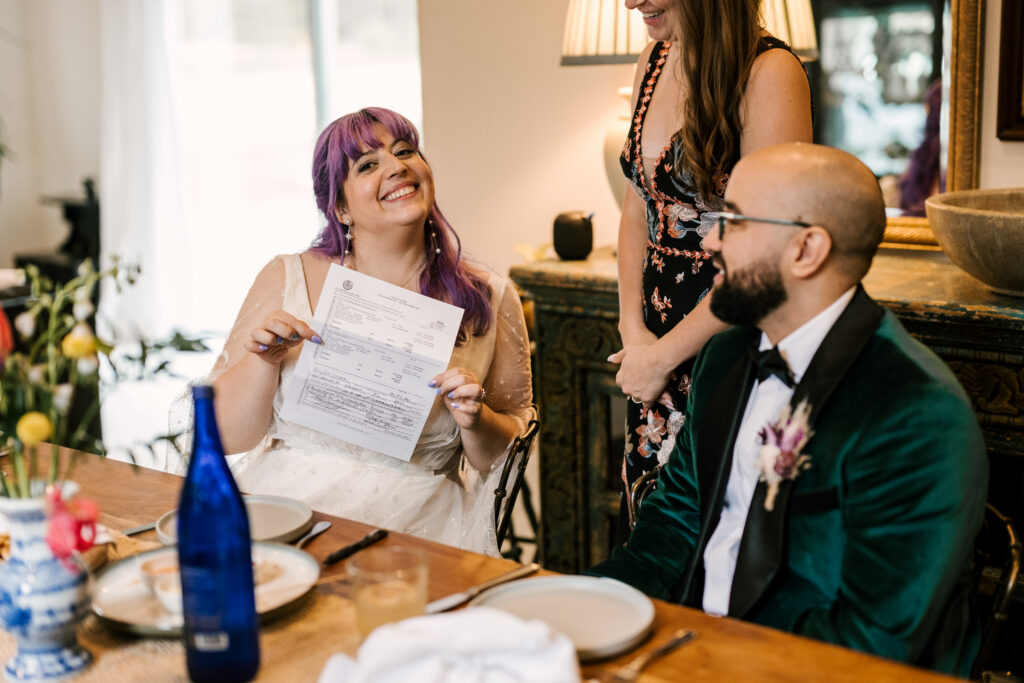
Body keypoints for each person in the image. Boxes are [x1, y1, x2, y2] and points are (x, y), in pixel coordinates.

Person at [589, 143, 988, 676]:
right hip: (680, 651)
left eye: (731, 219)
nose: (708, 239)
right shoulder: (726, 356)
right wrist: (578, 612)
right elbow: (673, 525)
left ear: (807, 250)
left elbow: (871, 643)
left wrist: (707, 665)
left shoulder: (915, 412)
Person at [197, 107, 533, 555]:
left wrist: (476, 420)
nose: (397, 167)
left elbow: (505, 456)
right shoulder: (287, 278)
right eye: (368, 165)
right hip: (287, 513)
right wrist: (264, 362)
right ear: (340, 207)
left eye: (405, 151)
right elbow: (226, 438)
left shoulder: (489, 296)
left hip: (418, 526)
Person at [611, 0, 814, 538]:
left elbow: (769, 247)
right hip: (654, 344)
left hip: (730, 336)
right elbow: (638, 208)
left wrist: (664, 355)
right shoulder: (654, 58)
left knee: (723, 535)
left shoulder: (770, 72)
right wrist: (635, 333)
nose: (629, 2)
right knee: (656, 529)